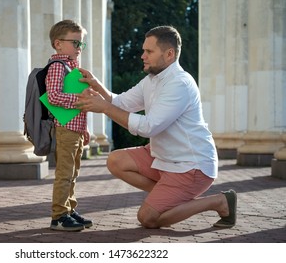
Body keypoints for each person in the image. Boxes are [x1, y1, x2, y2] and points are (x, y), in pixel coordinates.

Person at [76, 25, 237, 229]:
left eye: (149, 51)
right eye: (144, 50)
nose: (143, 55)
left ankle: (220, 201)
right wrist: (98, 87)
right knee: (116, 160)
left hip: (190, 165)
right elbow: (121, 103)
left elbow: (149, 127)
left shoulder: (179, 83)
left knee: (148, 218)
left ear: (169, 54)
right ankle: (167, 196)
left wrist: (105, 108)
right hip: (162, 158)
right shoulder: (151, 80)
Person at [46, 20, 92, 231]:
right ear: (58, 44)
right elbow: (54, 96)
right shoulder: (57, 67)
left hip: (76, 129)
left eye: (81, 44)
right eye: (75, 43)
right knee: (64, 173)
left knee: (73, 173)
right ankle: (59, 216)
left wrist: (84, 129)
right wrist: (79, 98)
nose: (79, 48)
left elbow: (77, 105)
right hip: (65, 129)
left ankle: (69, 209)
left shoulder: (73, 68)